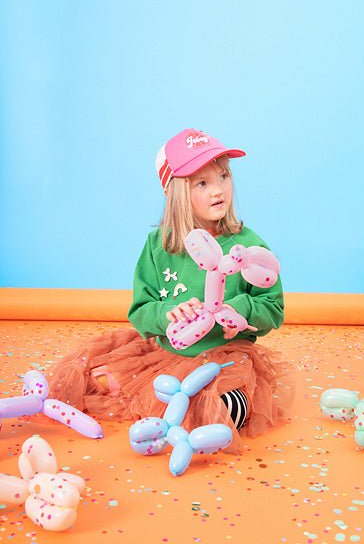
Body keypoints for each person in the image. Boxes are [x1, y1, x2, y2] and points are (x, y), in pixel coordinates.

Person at [47, 128, 293, 452]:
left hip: (225, 361)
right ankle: (144, 393)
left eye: (223, 176)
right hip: (167, 356)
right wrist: (167, 314)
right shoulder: (158, 245)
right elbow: (140, 311)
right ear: (175, 193)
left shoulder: (247, 246)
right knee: (93, 380)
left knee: (224, 409)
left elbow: (273, 308)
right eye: (202, 183)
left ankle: (211, 409)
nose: (218, 190)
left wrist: (241, 310)